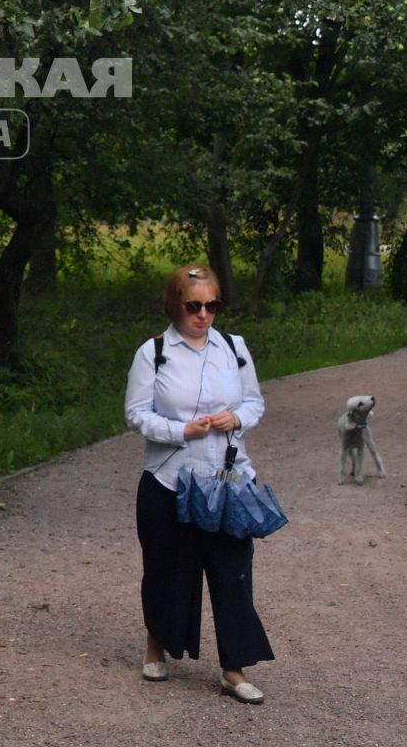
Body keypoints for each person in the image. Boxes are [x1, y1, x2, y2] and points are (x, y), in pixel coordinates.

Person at [122, 264, 275, 703]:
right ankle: (157, 645)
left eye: (212, 305)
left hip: (226, 480)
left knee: (232, 572)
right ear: (175, 304)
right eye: (194, 305)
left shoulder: (234, 347)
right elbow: (135, 415)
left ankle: (234, 669)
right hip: (168, 480)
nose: (204, 314)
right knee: (167, 570)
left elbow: (254, 402)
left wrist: (238, 418)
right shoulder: (152, 353)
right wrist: (180, 430)